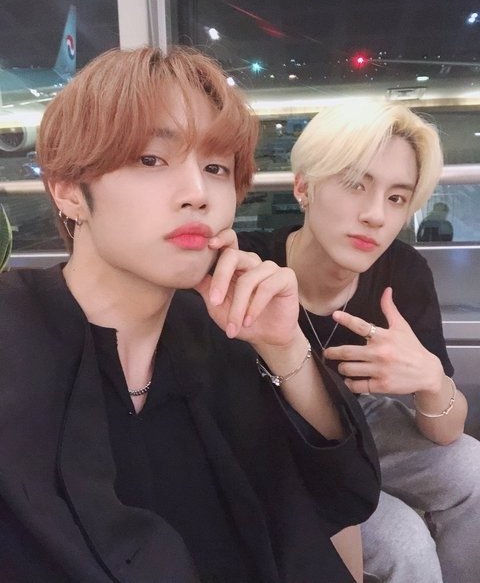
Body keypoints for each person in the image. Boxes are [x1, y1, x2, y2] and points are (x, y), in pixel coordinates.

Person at [0, 47, 380, 583]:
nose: (197, 194)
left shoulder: (223, 338)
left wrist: (286, 348)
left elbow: (346, 497)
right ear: (69, 191)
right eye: (150, 160)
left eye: (215, 168)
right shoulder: (15, 331)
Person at [238, 101, 480, 583]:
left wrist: (431, 381)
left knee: (471, 467)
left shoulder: (401, 271)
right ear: (303, 187)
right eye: (354, 184)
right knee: (402, 540)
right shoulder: (251, 271)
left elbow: (446, 431)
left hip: (358, 420)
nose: (375, 215)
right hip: (271, 442)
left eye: (397, 197)